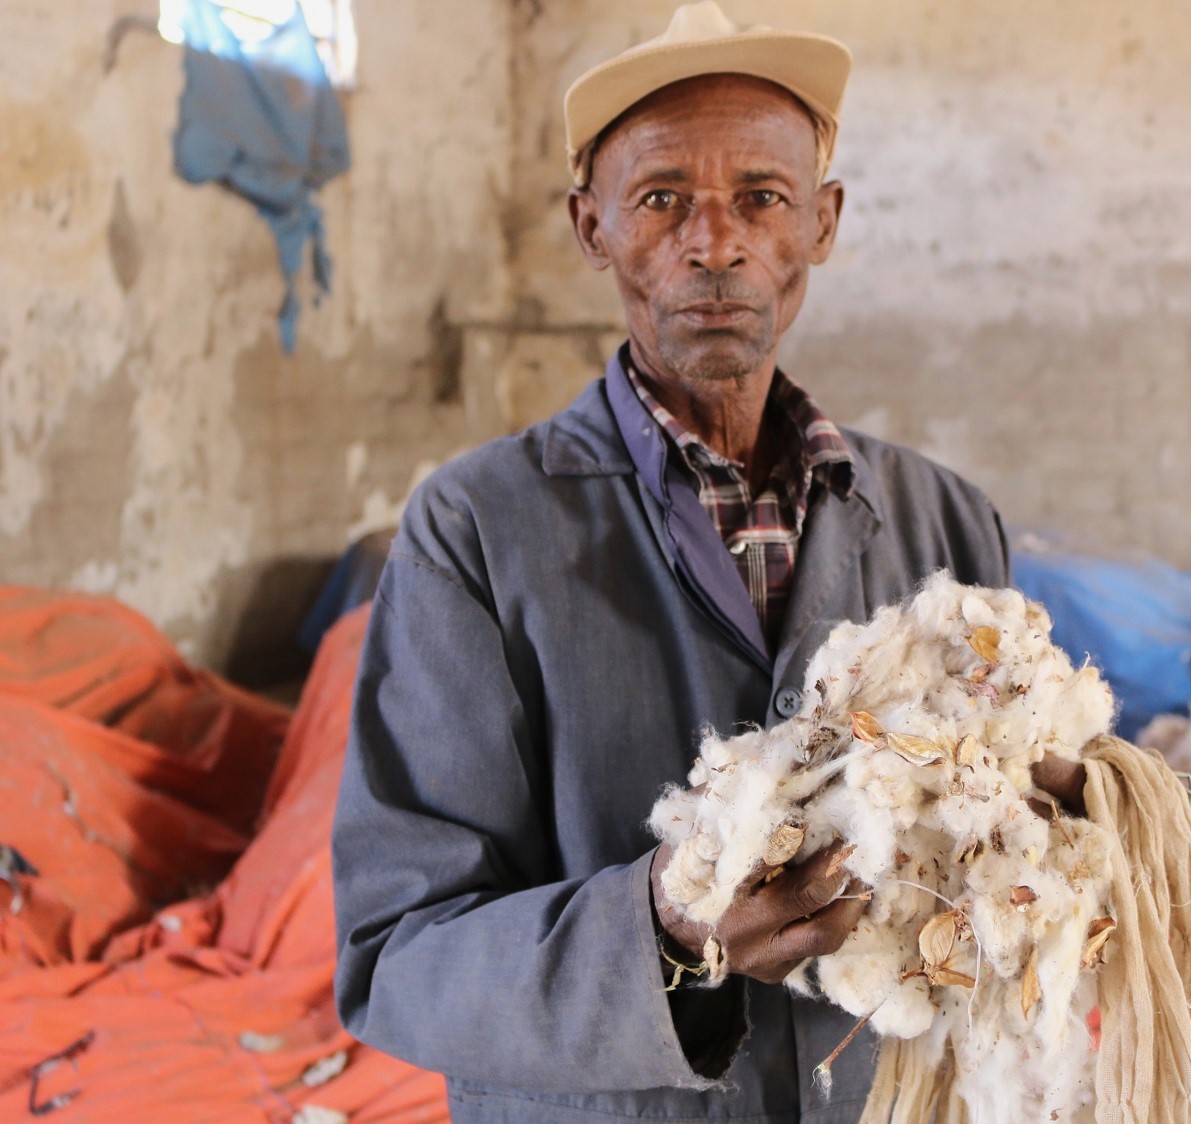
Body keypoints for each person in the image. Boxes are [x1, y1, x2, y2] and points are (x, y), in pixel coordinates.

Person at [331, 5, 1084, 1121]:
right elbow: (396, 954)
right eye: (662, 198)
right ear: (592, 227)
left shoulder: (947, 521)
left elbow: (1019, 874)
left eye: (763, 199)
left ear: (822, 224)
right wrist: (663, 929)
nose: (716, 242)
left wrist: (1065, 807)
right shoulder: (475, 530)